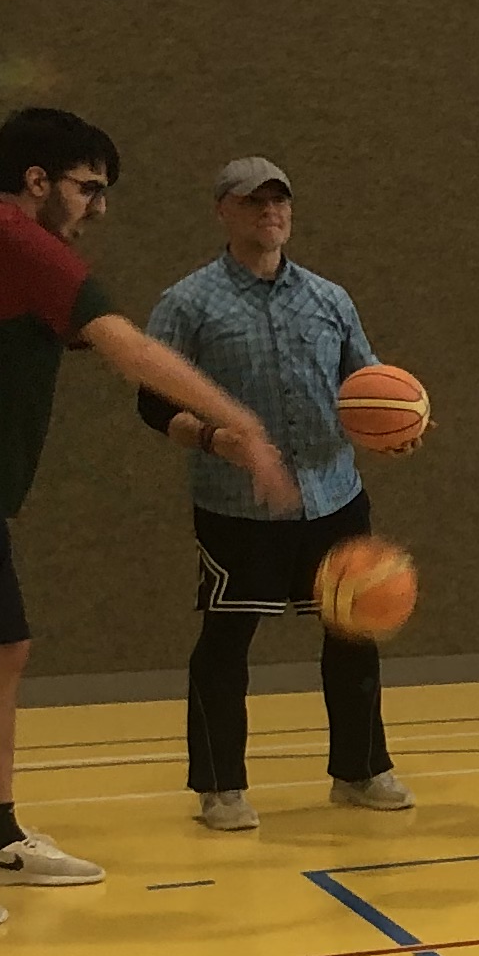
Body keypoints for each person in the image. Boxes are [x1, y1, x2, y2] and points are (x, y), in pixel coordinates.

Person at [0, 108, 291, 930]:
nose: (98, 207)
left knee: (2, 651)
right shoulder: (25, 246)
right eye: (89, 188)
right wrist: (246, 426)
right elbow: (131, 351)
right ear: (37, 181)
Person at [138, 156, 411, 829]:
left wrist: (397, 425)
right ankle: (220, 786)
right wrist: (211, 439)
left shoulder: (329, 299)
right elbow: (152, 402)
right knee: (226, 642)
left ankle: (360, 770)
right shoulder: (187, 304)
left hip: (335, 495)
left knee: (353, 633)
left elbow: (368, 385)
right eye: (252, 201)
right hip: (238, 506)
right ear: (223, 212)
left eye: (278, 200)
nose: (269, 212)